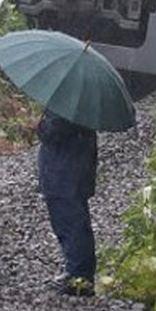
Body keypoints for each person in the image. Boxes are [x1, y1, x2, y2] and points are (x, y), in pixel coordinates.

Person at [36, 108, 98, 297]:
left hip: (64, 171)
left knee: (70, 223)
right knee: (75, 221)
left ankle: (79, 277)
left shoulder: (68, 104)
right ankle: (79, 273)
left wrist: (39, 125)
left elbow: (52, 131)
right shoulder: (85, 100)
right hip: (76, 166)